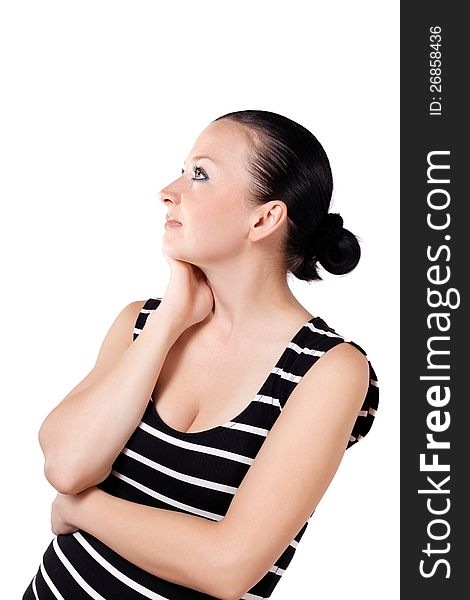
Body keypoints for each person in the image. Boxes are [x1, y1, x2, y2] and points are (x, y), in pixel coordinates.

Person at [22, 109, 379, 600]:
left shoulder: (329, 371)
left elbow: (229, 567)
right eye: (183, 169)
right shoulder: (142, 323)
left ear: (264, 218)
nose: (169, 190)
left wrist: (80, 510)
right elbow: (65, 467)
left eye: (200, 175)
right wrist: (170, 318)